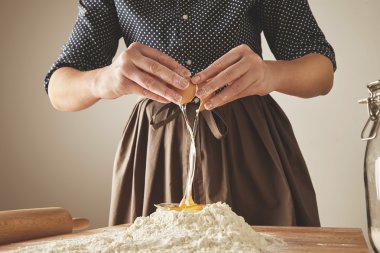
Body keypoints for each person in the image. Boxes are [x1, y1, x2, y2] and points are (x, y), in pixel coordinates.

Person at [45, 0, 336, 227]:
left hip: (249, 146)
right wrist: (104, 80)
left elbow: (321, 71)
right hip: (156, 152)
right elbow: (58, 87)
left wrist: (269, 74)